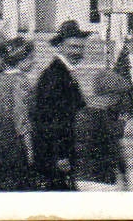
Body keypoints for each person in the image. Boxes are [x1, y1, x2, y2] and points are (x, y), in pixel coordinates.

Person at [31, 20, 90, 190]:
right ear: (60, 47)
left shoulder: (63, 72)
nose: (78, 52)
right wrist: (61, 154)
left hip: (60, 150)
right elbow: (51, 119)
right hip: (54, 154)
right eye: (73, 47)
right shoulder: (55, 76)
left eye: (80, 47)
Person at [0, 37, 40, 191]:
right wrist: (29, 146)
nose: (34, 62)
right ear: (22, 60)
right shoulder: (20, 80)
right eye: (31, 58)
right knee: (17, 182)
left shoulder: (1, 77)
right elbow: (20, 114)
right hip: (14, 137)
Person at [75, 69, 132, 191]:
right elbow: (116, 150)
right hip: (102, 180)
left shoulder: (80, 112)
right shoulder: (105, 118)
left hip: (79, 177)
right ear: (113, 96)